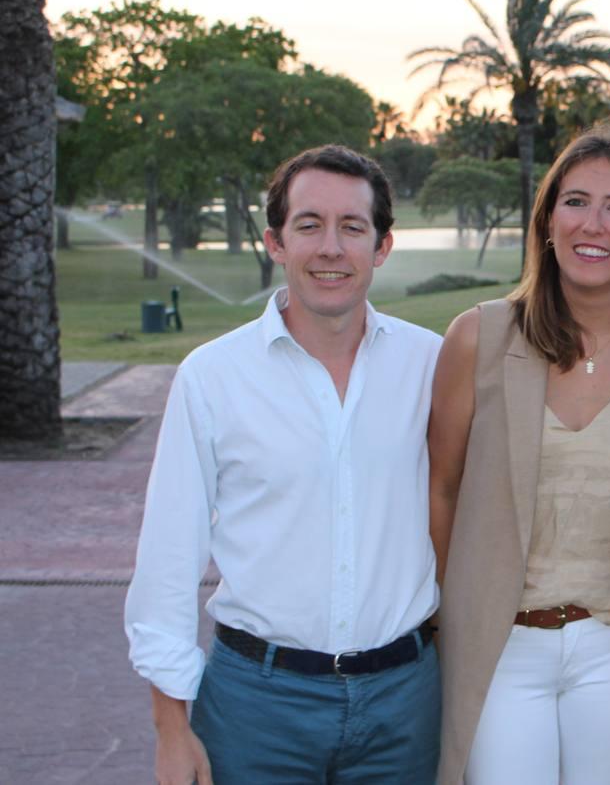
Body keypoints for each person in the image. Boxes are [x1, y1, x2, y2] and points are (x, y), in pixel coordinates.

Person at [124, 145, 443, 784]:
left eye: (352, 227)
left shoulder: (434, 366)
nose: (331, 247)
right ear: (275, 242)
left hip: (404, 701)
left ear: (381, 247)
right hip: (256, 705)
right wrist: (170, 727)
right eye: (309, 225)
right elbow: (168, 555)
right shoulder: (213, 376)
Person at [429, 129, 610, 785]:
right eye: (576, 202)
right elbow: (440, 489)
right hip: (500, 644)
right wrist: (443, 623)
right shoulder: (480, 339)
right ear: (548, 222)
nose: (594, 224)